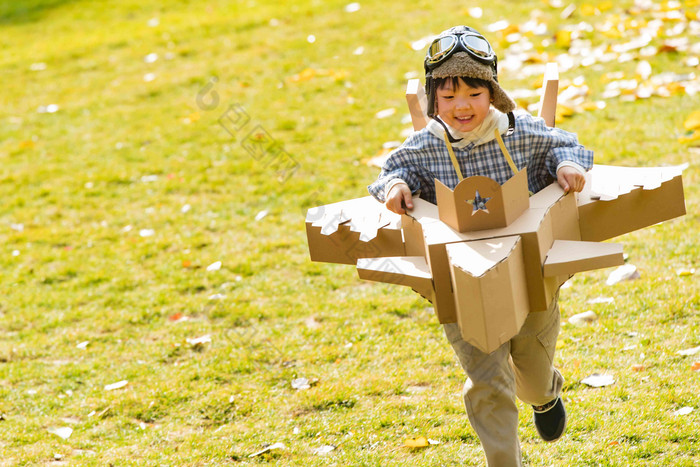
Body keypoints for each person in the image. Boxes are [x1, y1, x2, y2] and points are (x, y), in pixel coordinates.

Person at [367, 25, 593, 466]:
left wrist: (565, 166)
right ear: (434, 100)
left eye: (473, 93)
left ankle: (544, 395)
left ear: (492, 91)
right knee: (488, 383)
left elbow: (570, 147)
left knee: (529, 371)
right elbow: (389, 173)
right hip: (462, 279)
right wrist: (395, 187)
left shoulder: (520, 132)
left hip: (528, 275)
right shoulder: (426, 146)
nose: (461, 107)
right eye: (447, 97)